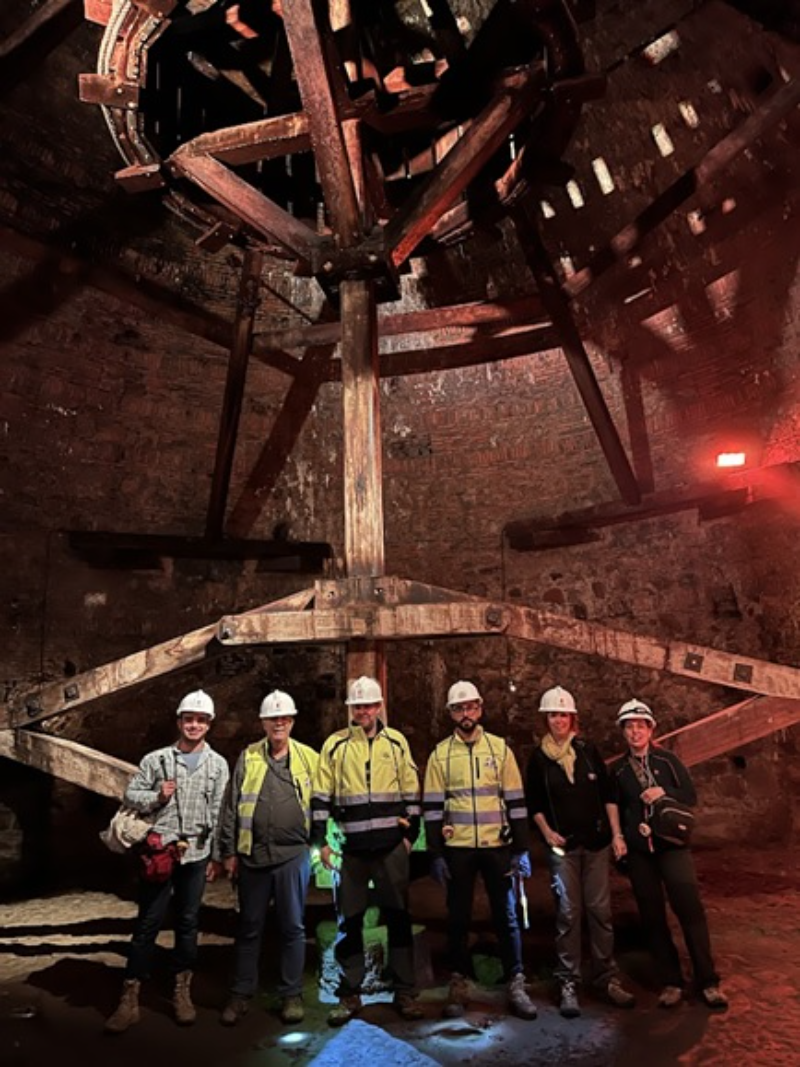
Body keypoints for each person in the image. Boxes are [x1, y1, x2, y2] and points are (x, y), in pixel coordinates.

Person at [105, 689, 229, 1033]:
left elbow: (219, 813)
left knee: (188, 923)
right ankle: (129, 998)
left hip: (196, 854)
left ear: (208, 725)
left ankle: (181, 991)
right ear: (179, 722)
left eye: (200, 720)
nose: (194, 725)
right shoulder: (156, 760)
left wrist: (217, 856)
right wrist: (157, 796)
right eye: (189, 719)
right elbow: (130, 794)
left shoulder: (218, 765)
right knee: (148, 922)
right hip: (160, 853)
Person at [312, 675, 423, 1027]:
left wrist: (410, 837)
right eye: (357, 706)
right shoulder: (335, 745)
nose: (363, 711)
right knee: (350, 923)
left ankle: (405, 992)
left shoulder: (396, 743)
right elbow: (320, 797)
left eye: (369, 705)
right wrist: (322, 844)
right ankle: (350, 994)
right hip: (351, 851)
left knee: (399, 918)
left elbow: (411, 792)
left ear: (379, 707)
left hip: (390, 847)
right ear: (350, 709)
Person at [423, 680, 538, 1020]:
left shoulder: (499, 750)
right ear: (450, 714)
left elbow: (515, 802)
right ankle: (459, 981)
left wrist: (521, 849)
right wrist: (436, 853)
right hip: (458, 848)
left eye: (470, 706)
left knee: (507, 915)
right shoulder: (440, 754)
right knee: (457, 917)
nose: (465, 713)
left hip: (496, 846)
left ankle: (516, 981)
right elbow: (432, 807)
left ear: (480, 708)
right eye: (459, 708)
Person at [609, 698, 728, 1011]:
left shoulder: (668, 761)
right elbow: (614, 806)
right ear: (623, 731)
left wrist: (664, 792)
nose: (635, 731)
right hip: (639, 852)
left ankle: (708, 981)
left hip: (672, 847)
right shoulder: (619, 770)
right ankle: (671, 981)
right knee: (652, 917)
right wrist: (618, 836)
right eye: (629, 726)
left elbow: (689, 795)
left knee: (690, 911)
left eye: (640, 725)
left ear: (650, 728)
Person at [525, 685, 636, 1018]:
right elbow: (534, 803)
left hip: (596, 845)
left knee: (600, 911)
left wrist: (616, 834)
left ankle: (605, 977)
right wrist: (547, 833)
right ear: (546, 719)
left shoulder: (588, 751)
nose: (558, 720)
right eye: (553, 715)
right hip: (564, 849)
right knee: (568, 913)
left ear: (572, 718)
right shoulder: (539, 758)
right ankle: (568, 980)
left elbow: (608, 796)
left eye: (563, 714)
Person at [216, 690, 319, 1026]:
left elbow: (321, 804)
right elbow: (231, 806)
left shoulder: (308, 758)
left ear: (292, 721)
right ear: (262, 722)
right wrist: (229, 851)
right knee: (249, 927)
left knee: (292, 926)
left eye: (285, 718)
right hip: (254, 856)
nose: (279, 723)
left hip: (293, 855)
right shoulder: (249, 757)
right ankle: (241, 993)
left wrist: (322, 843)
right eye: (273, 718)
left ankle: (291, 995)